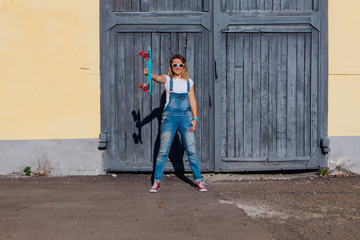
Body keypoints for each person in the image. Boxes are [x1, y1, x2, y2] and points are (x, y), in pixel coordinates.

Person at [144, 54, 207, 193]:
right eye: (175, 65)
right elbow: (157, 78)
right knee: (163, 152)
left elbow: (193, 101)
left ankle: (198, 181)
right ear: (171, 66)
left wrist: (195, 119)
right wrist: (150, 74)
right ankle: (156, 182)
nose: (178, 67)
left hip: (186, 118)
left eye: (180, 65)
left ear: (184, 66)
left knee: (191, 151)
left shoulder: (189, 82)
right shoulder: (167, 80)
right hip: (169, 119)